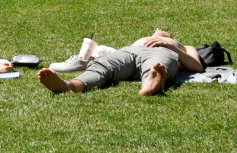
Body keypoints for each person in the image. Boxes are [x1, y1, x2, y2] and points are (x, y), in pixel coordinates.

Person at [38, 28, 203, 96]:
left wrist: (170, 45)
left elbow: (196, 66)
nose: (158, 29)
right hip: (128, 52)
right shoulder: (144, 39)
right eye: (156, 30)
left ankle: (151, 82)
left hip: (163, 54)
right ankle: (71, 85)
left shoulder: (181, 46)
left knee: (156, 66)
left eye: (163, 29)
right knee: (103, 66)